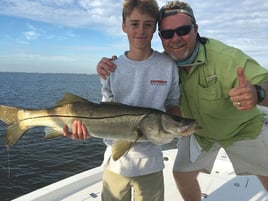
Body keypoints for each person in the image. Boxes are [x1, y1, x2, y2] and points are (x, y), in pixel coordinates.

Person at [96, 1, 268, 201]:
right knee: (182, 175)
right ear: (161, 37)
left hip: (242, 129)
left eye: (183, 30)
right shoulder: (166, 63)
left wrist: (258, 94)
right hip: (200, 132)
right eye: (168, 34)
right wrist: (106, 65)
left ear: (195, 29)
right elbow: (141, 71)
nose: (175, 39)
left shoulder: (225, 57)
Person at [64, 0, 181, 201]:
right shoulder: (111, 67)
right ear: (123, 26)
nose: (141, 30)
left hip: (151, 162)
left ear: (155, 27)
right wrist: (83, 129)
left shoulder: (168, 66)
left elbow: (172, 102)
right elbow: (105, 107)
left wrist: (177, 125)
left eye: (148, 24)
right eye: (134, 23)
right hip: (115, 164)